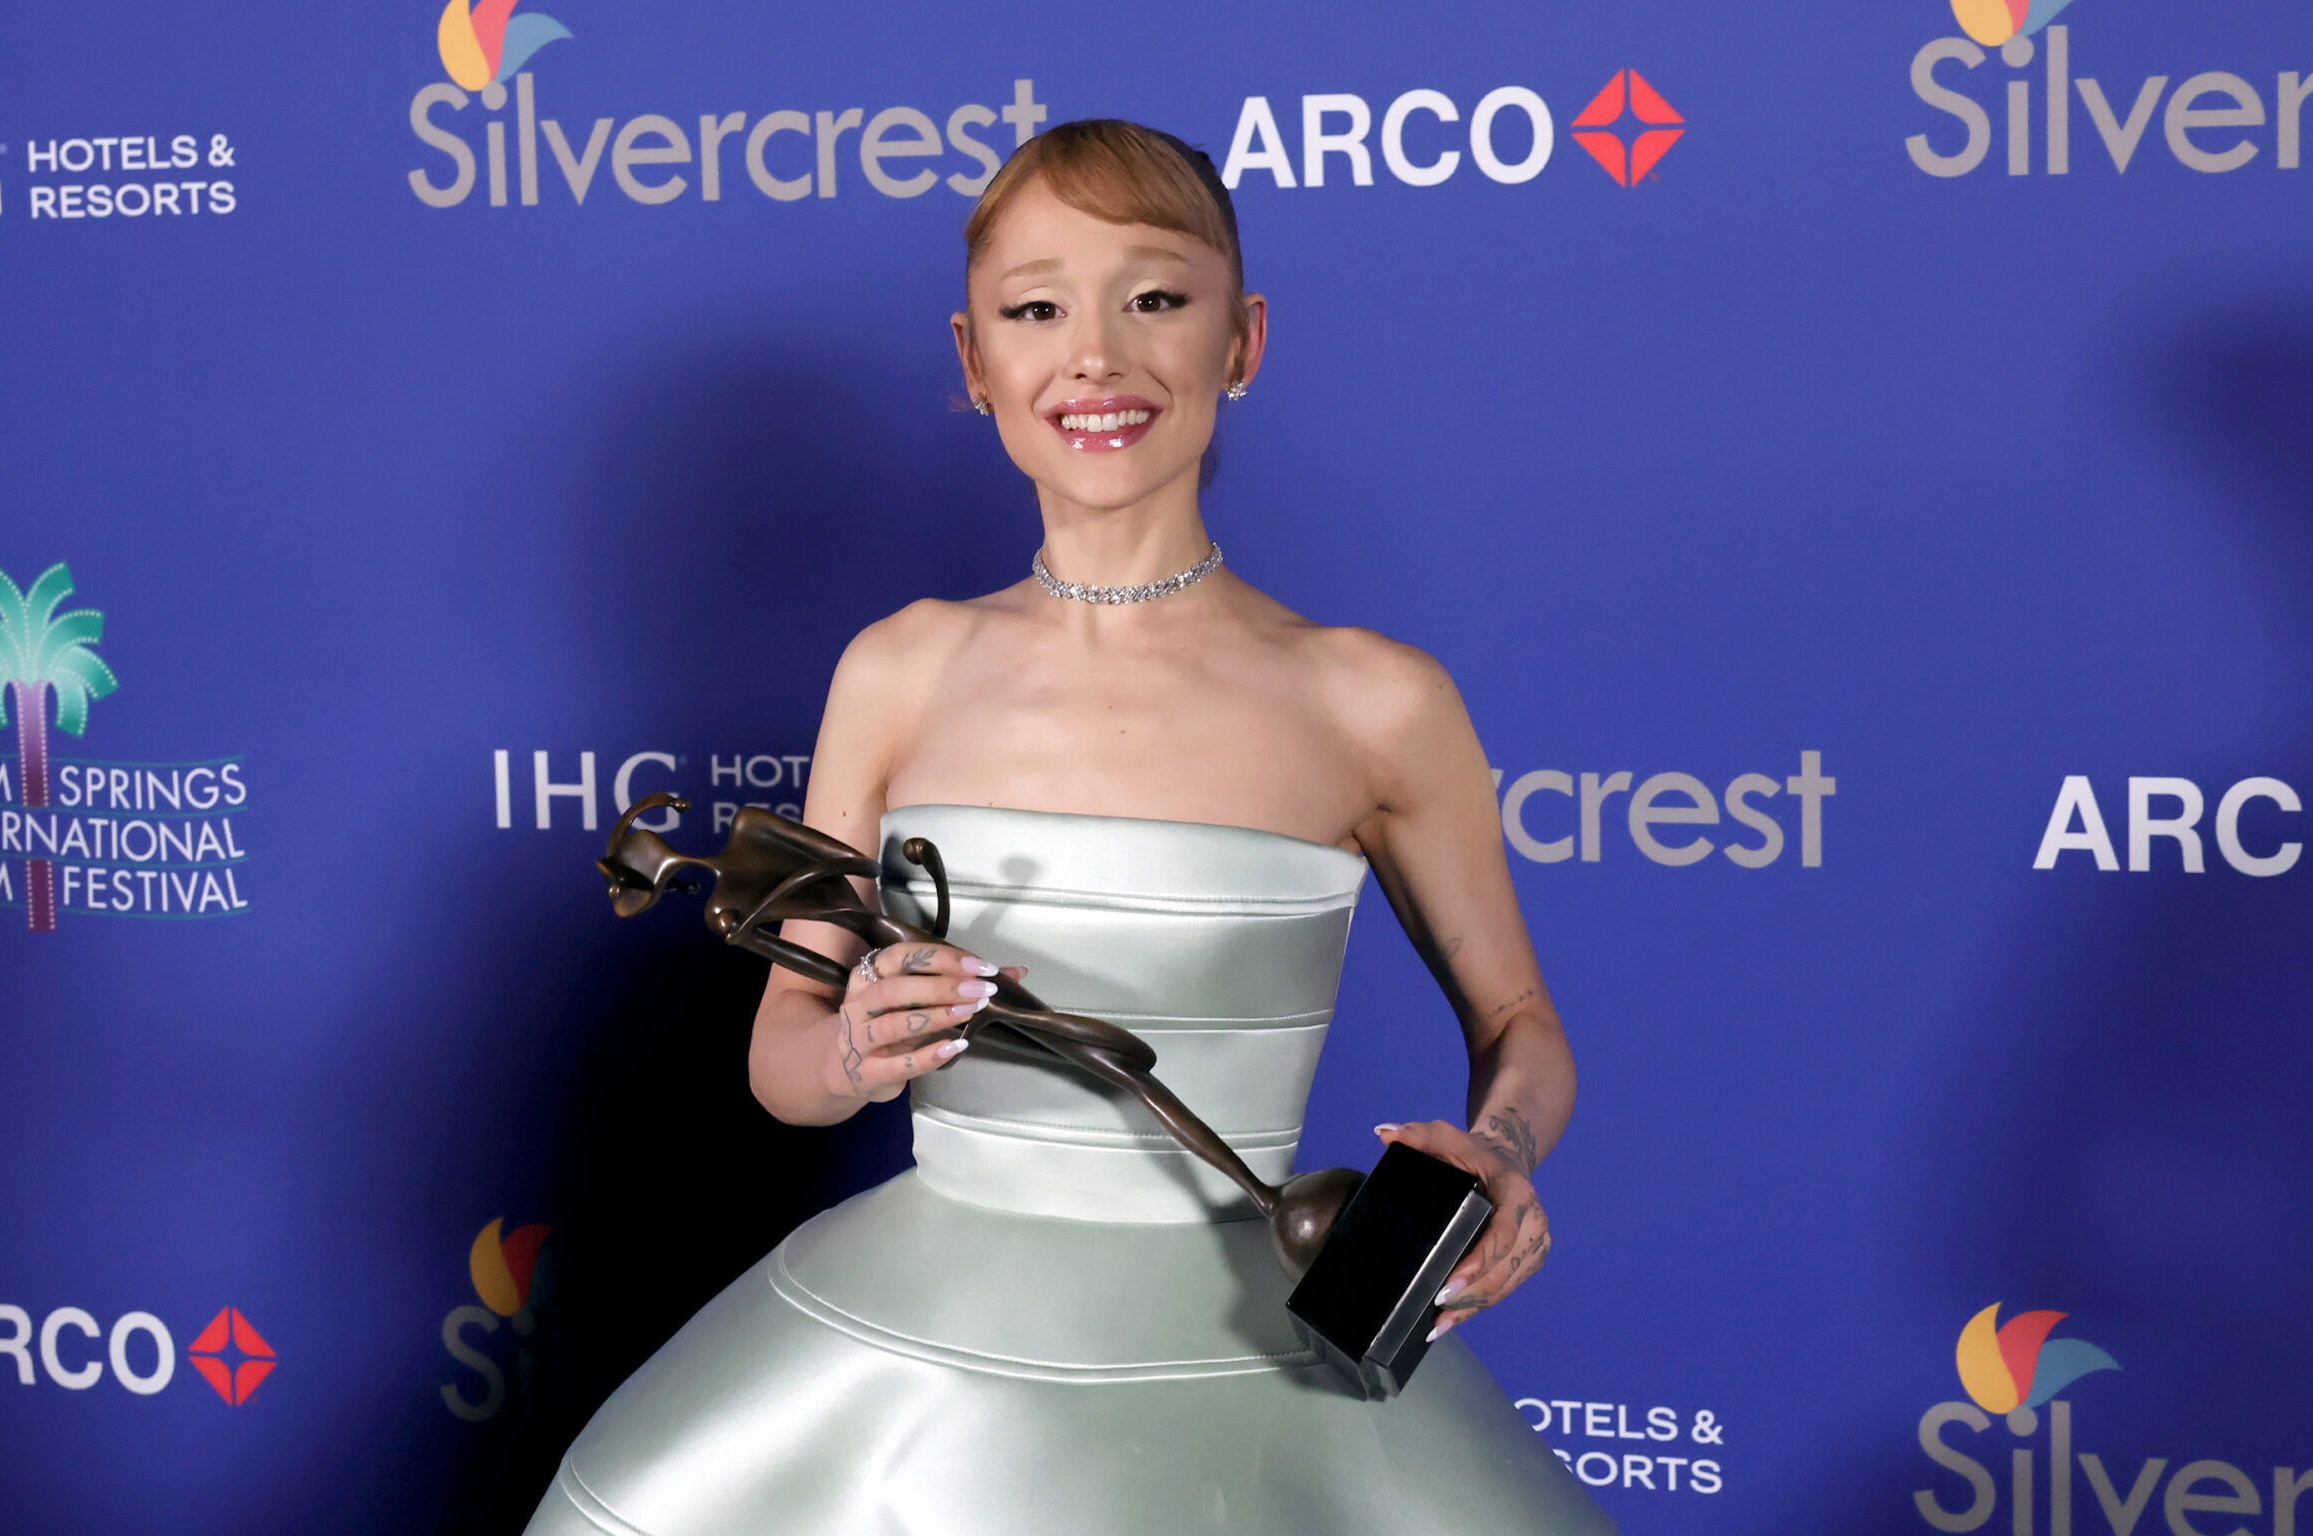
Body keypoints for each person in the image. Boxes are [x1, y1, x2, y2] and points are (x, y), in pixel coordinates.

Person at [522, 119, 1617, 1535]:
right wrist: (856, 1043)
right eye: (1036, 310)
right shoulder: (898, 669)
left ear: (1245, 338)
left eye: (1154, 298)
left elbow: (1521, 1022)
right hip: (913, 1374)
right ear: (977, 365)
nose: (1094, 356)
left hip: (1267, 1365)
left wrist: (1503, 1156)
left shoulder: (1377, 702)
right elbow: (783, 1062)